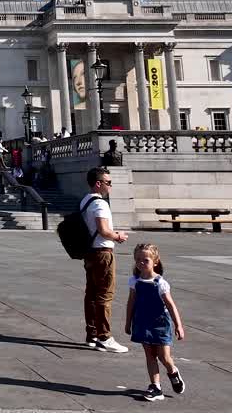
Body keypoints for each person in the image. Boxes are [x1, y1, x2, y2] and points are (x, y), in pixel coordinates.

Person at [126, 243, 186, 401]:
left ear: (155, 261)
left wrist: (178, 325)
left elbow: (171, 306)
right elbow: (131, 303)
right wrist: (128, 322)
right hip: (142, 322)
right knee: (150, 355)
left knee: (163, 356)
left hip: (160, 324)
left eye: (145, 260)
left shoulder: (160, 283)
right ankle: (155, 387)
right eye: (138, 259)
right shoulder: (134, 281)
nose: (141, 263)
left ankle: (172, 371)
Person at [82, 166, 130, 353]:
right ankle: (105, 336)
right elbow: (103, 230)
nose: (110, 186)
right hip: (103, 252)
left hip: (90, 252)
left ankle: (92, 334)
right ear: (98, 183)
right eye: (108, 182)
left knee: (91, 294)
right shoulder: (100, 204)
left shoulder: (86, 201)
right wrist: (118, 236)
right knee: (105, 294)